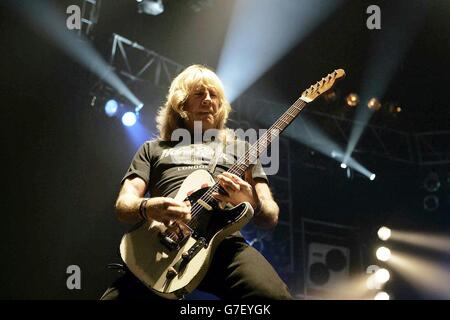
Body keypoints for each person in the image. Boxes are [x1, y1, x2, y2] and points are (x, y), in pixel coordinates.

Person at [100, 64, 293, 300]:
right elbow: (124, 204)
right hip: (163, 243)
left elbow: (270, 216)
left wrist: (249, 200)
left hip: (222, 243)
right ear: (181, 104)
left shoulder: (242, 150)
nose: (208, 100)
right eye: (199, 94)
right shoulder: (153, 149)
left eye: (214, 95)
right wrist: (149, 207)